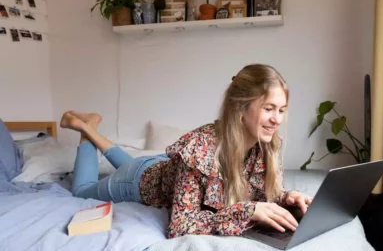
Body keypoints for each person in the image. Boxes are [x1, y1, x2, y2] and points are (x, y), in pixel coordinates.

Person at [60, 64, 312, 239]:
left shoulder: (266, 142)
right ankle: (86, 130)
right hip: (137, 181)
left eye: (281, 109)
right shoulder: (200, 148)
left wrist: (286, 197)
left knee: (132, 163)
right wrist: (247, 211)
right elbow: (180, 226)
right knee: (81, 191)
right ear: (241, 108)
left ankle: (91, 129)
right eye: (269, 108)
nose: (277, 119)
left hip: (161, 168)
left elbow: (258, 191)